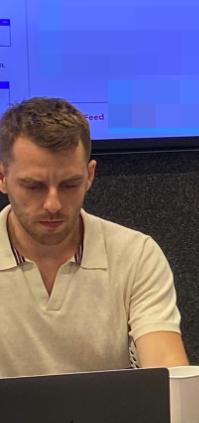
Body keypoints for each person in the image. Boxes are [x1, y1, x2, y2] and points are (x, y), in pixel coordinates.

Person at [0, 95, 188, 379]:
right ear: (2, 178)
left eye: (69, 184)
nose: (53, 204)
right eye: (34, 186)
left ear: (89, 176)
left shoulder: (135, 254)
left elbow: (168, 372)